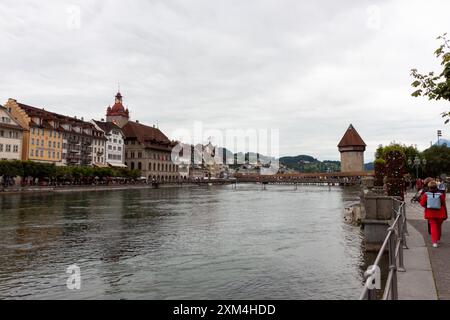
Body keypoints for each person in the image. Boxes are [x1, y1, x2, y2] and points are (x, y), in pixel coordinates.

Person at [420, 180, 448, 248]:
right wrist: (446, 214)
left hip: (430, 213)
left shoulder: (426, 194)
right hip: (440, 213)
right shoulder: (441, 194)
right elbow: (444, 204)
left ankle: (434, 242)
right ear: (436, 187)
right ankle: (438, 239)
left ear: (429, 187)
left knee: (433, 227)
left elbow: (422, 204)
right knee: (438, 226)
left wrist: (427, 206)